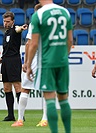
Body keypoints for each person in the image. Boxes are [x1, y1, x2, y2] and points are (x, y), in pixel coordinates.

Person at [27, 0, 73, 133]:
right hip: (62, 61)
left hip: (47, 62)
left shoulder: (39, 14)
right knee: (64, 98)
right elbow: (70, 40)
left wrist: (29, 65)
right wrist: (65, 55)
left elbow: (34, 44)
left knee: (50, 99)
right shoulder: (65, 12)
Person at [11, 3, 48, 127]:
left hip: (36, 59)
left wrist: (26, 62)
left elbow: (29, 44)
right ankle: (44, 119)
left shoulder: (35, 23)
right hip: (49, 58)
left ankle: (20, 120)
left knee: (25, 89)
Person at [0, 11, 28, 121]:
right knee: (6, 88)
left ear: (13, 21)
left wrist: (23, 28)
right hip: (5, 61)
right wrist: (1, 58)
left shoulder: (15, 30)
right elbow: (7, 48)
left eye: (8, 21)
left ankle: (21, 115)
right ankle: (10, 115)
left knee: (17, 86)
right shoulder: (6, 33)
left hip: (14, 61)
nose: (6, 23)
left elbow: (18, 29)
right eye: (4, 21)